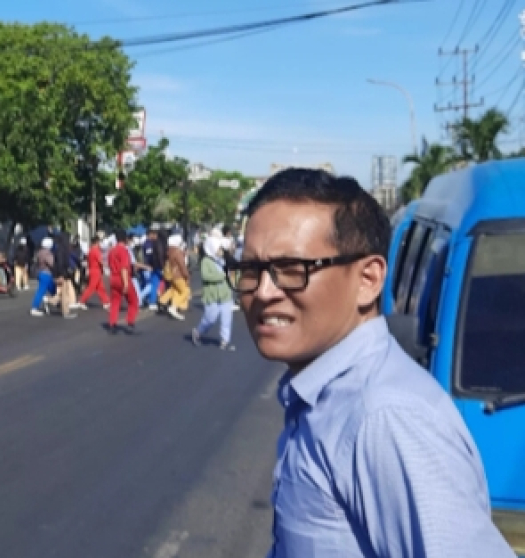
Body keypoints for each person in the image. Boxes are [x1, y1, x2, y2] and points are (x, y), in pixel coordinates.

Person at [235, 168, 512, 557]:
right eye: (251, 270)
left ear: (368, 279)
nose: (264, 292)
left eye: (293, 270)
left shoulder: (385, 418)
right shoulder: (326, 395)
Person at [192, 237, 233, 350]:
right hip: (212, 295)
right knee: (210, 318)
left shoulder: (222, 260)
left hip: (225, 293)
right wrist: (223, 276)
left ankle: (225, 340)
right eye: (219, 248)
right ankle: (198, 332)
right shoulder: (206, 261)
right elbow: (206, 276)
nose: (221, 250)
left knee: (226, 318)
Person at [106, 230, 138, 334]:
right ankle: (130, 320)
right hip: (122, 278)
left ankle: (112, 323)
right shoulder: (123, 250)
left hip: (113, 277)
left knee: (115, 302)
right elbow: (124, 268)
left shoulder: (112, 251)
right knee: (133, 301)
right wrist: (126, 283)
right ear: (125, 239)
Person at [157, 234, 191, 320]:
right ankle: (173, 307)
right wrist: (187, 276)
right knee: (186, 291)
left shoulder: (170, 252)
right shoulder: (177, 252)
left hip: (172, 275)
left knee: (175, 290)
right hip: (179, 275)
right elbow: (182, 266)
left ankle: (166, 303)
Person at [78, 234, 110, 310]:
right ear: (97, 242)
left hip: (93, 270)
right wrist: (107, 265)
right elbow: (100, 261)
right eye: (99, 242)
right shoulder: (96, 251)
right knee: (91, 288)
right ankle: (82, 301)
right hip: (96, 271)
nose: (100, 244)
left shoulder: (90, 250)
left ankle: (106, 302)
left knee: (100, 288)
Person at [30, 238, 56, 316]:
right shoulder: (47, 253)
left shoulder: (39, 252)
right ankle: (34, 308)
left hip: (40, 272)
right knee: (41, 291)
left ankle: (50, 301)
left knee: (53, 289)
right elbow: (52, 263)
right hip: (46, 273)